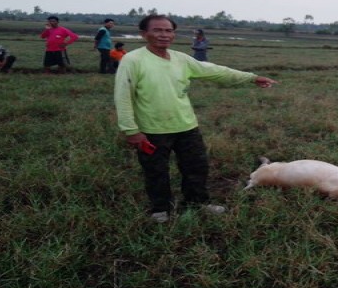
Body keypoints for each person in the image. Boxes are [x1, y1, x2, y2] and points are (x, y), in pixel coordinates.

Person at [114, 14, 278, 223]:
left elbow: (215, 71)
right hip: (152, 131)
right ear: (144, 34)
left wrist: (251, 77)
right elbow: (123, 95)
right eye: (157, 30)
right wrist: (131, 130)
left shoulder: (180, 59)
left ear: (173, 34)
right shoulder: (133, 60)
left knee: (196, 167)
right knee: (156, 171)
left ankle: (197, 202)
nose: (164, 35)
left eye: (168, 30)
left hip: (186, 126)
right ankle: (160, 209)